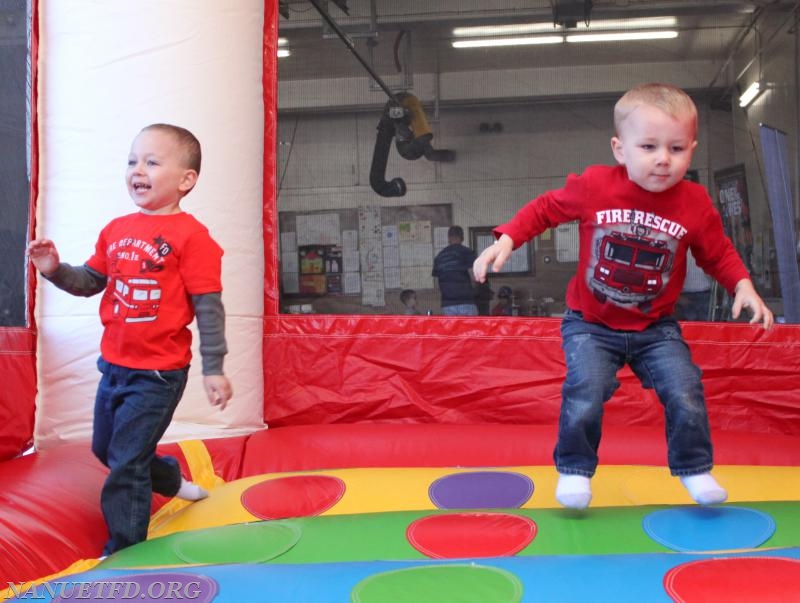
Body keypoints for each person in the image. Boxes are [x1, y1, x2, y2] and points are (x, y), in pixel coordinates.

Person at [474, 83, 773, 510]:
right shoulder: (595, 185)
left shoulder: (694, 202)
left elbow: (718, 252)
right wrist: (508, 239)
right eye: (649, 146)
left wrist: (743, 284)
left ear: (692, 148)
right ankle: (575, 470)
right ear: (620, 149)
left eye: (677, 148)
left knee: (685, 386)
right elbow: (544, 209)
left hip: (656, 327)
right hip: (591, 324)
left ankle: (695, 468)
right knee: (586, 387)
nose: (663, 159)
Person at [27, 123, 233, 554]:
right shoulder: (116, 229)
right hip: (115, 367)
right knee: (107, 449)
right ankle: (173, 480)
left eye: (152, 162)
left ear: (185, 180)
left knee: (124, 462)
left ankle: (125, 552)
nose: (137, 170)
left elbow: (208, 307)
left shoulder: (194, 239)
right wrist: (53, 269)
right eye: (132, 161)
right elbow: (89, 281)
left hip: (157, 374)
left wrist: (214, 368)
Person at [432, 226, 478, 316]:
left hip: (447, 304)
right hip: (466, 301)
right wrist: (476, 289)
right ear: (462, 237)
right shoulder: (467, 252)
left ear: (449, 238)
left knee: (452, 330)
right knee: (470, 329)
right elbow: (473, 277)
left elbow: (437, 284)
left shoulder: (440, 256)